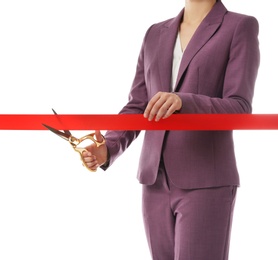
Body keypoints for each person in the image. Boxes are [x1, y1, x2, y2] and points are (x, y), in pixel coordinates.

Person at [82, 0, 260, 259]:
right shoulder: (155, 33)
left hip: (205, 180)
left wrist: (184, 101)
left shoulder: (239, 26)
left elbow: (240, 108)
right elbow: (138, 106)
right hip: (154, 181)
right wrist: (108, 149)